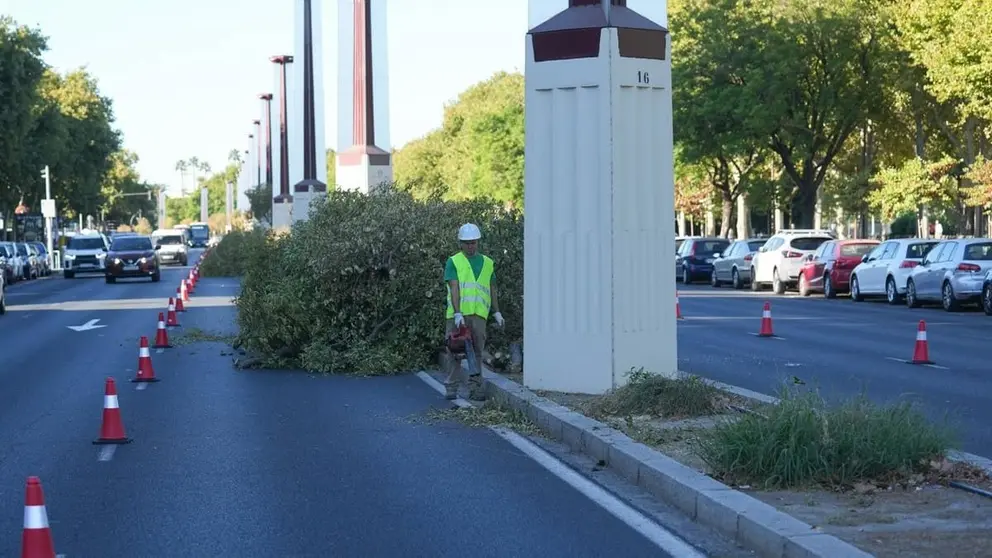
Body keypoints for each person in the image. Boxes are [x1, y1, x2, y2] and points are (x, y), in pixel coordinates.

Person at [442, 223, 504, 401]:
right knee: (455, 351)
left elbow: (492, 289)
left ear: (478, 242)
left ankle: (475, 389)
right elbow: (454, 287)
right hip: (457, 316)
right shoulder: (454, 261)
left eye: (473, 242)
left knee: (477, 352)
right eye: (467, 243)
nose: (470, 246)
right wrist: (457, 313)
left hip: (479, 316)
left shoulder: (488, 263)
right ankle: (451, 387)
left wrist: (496, 312)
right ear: (460, 243)